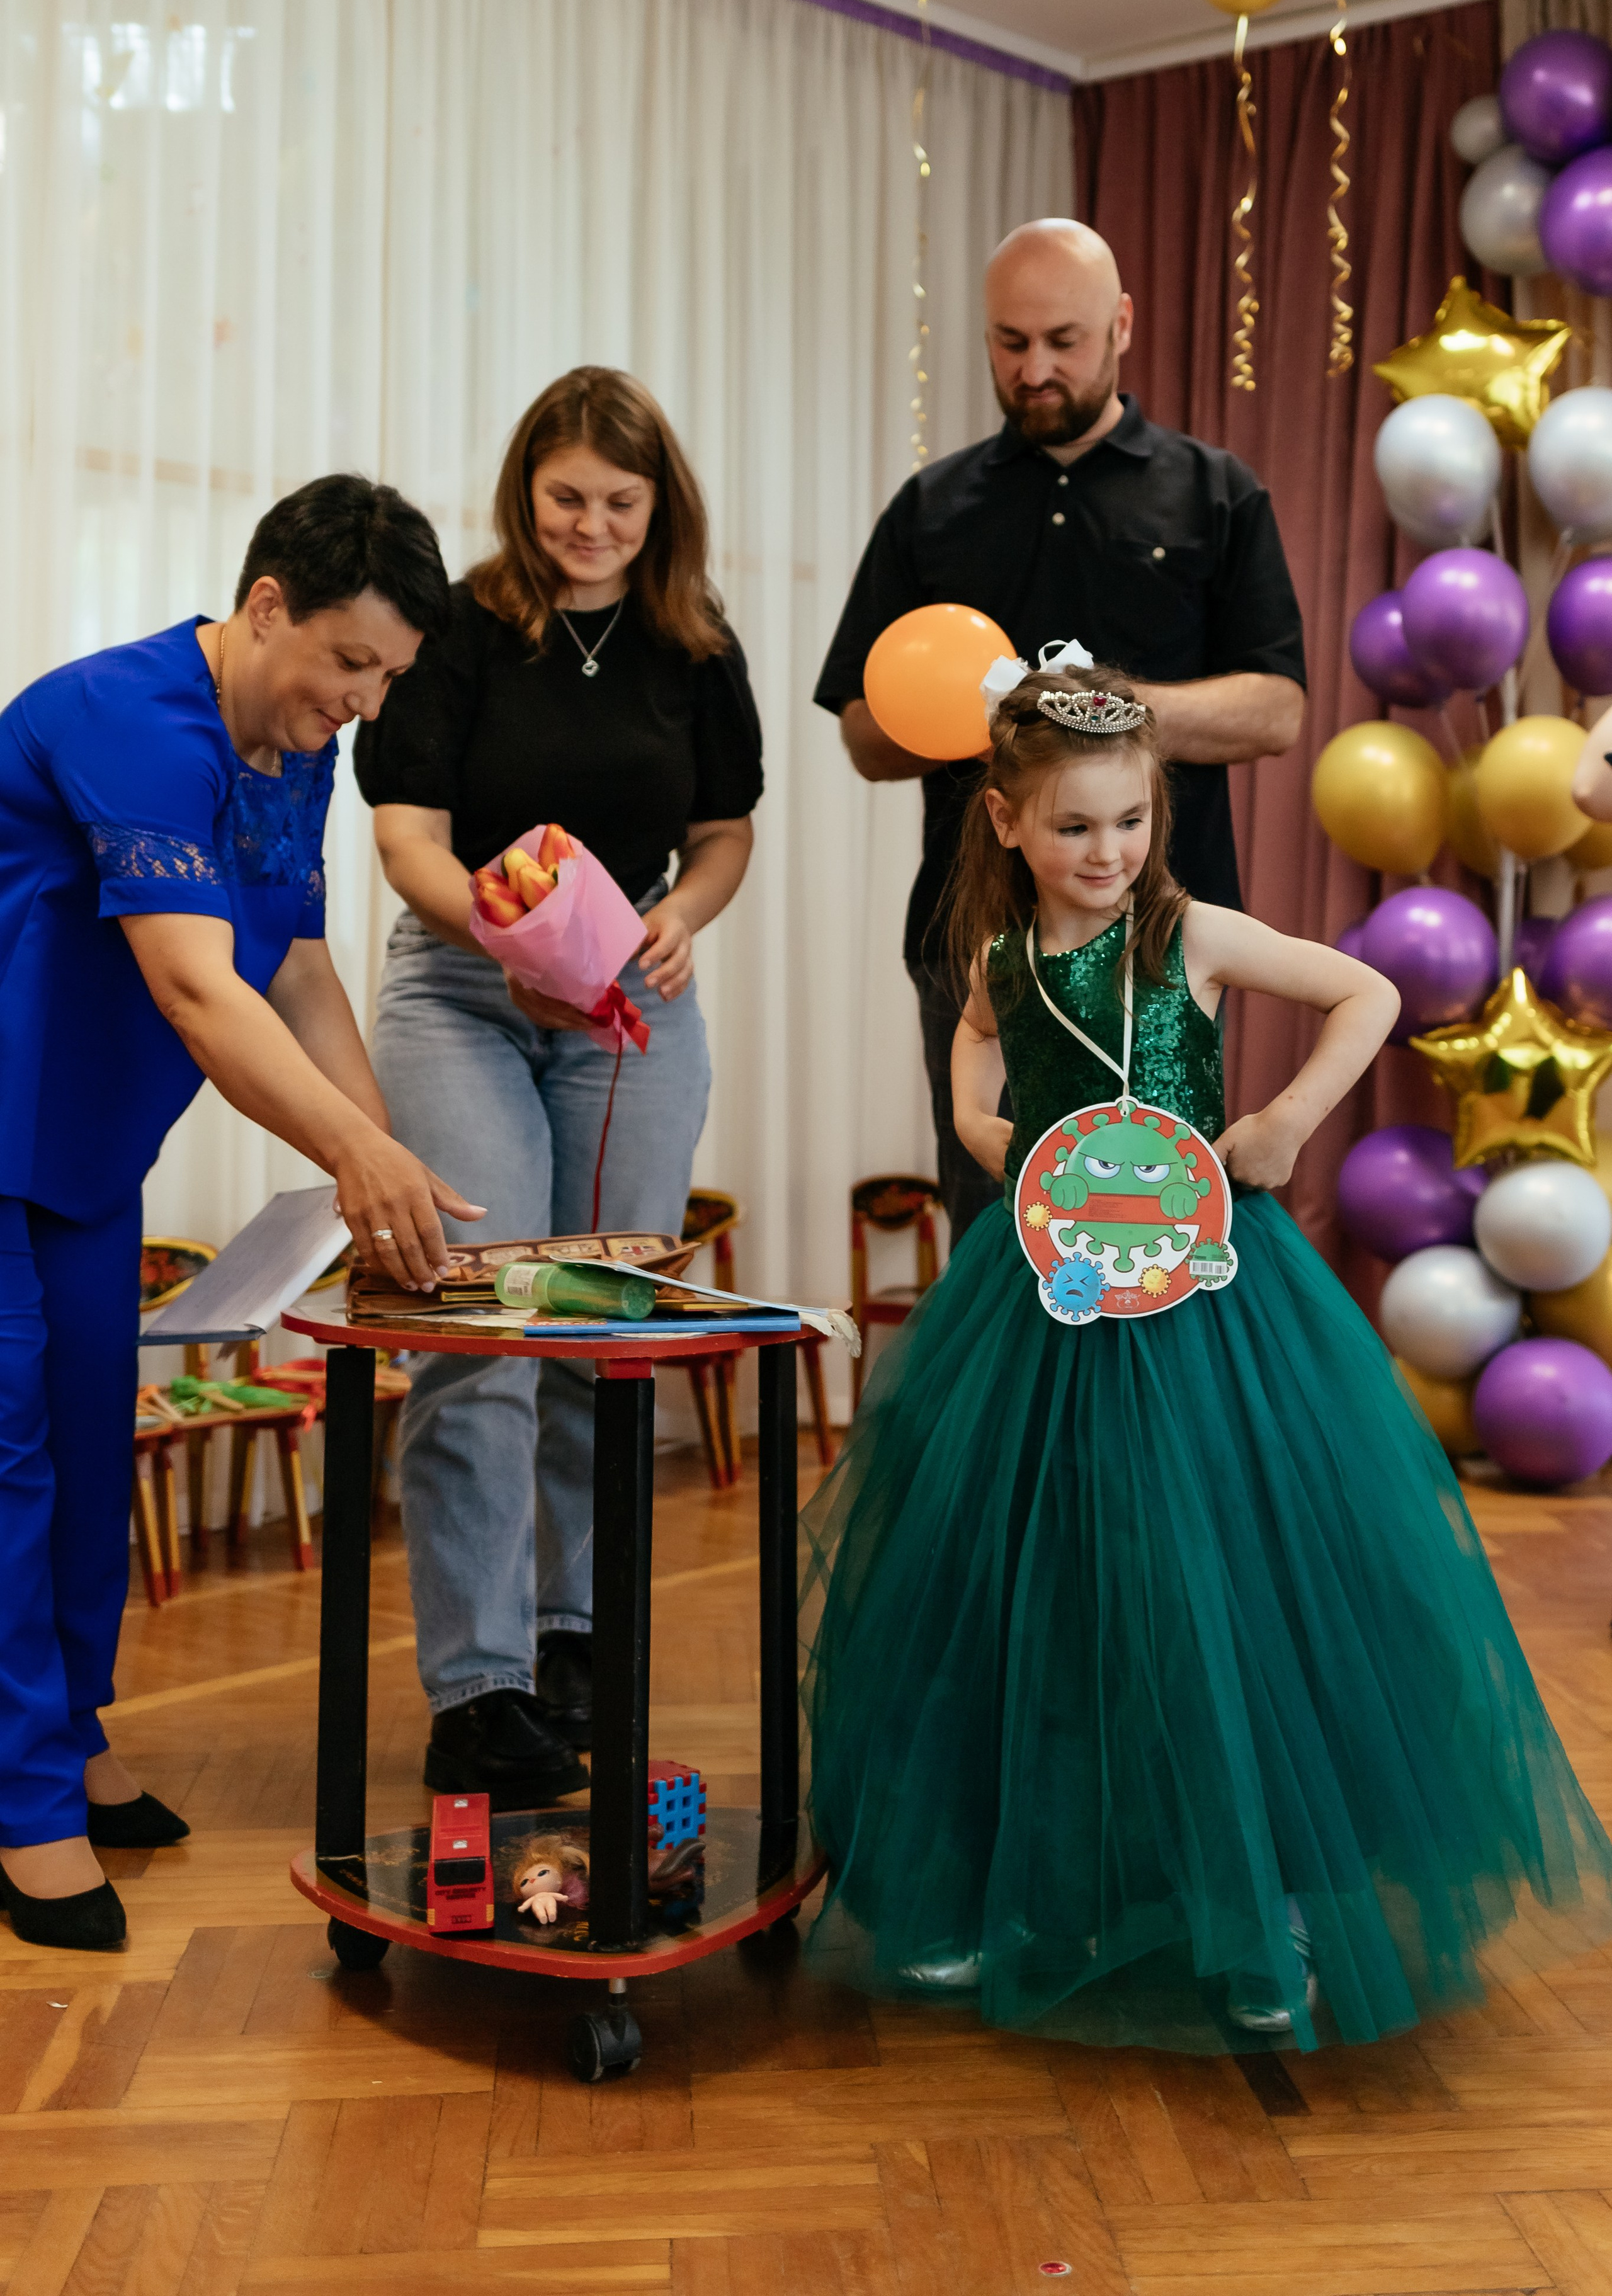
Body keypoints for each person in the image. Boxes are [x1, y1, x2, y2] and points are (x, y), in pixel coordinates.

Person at [799, 668, 1612, 2051]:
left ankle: (1259, 1905)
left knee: (1218, 1579)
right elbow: (971, 1079)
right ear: (1001, 821)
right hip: (1045, 1307)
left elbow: (1361, 990)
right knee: (1036, 1585)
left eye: (1127, 822)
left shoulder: (1190, 934)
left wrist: (1286, 1121)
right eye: (1071, 829)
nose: (1106, 852)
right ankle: (1032, 1897)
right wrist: (1005, 1147)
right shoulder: (996, 966)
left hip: (1204, 1311)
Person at [0, 475, 478, 1953]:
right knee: (10, 1460)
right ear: (265, 605)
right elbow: (199, 989)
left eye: (387, 678)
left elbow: (296, 971)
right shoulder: (127, 720)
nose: (360, 702)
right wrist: (356, 1154)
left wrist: (379, 1161)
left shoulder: (292, 745)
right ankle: (22, 1807)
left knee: (89, 1441)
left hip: (76, 1142)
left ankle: (71, 1736)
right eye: (348, 663)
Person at [356, 367, 762, 1807]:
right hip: (465, 995)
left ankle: (575, 1639)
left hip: (629, 1010)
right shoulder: (460, 627)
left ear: (662, 510)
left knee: (602, 1313)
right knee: (483, 1321)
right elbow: (407, 841)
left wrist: (685, 917)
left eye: (619, 503)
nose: (590, 526)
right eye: (566, 497)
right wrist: (510, 943)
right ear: (526, 489)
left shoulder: (693, 647)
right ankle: (477, 1686)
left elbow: (721, 835)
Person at [814, 217, 1306, 1245]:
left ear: (1122, 325)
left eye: (1064, 341)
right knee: (1001, 1229)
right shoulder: (930, 508)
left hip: (1171, 938)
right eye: (1009, 342)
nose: (1034, 369)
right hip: (977, 942)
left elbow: (1276, 710)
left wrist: (1083, 709)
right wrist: (971, 719)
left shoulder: (1218, 492)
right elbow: (863, 733)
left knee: (1157, 1230)